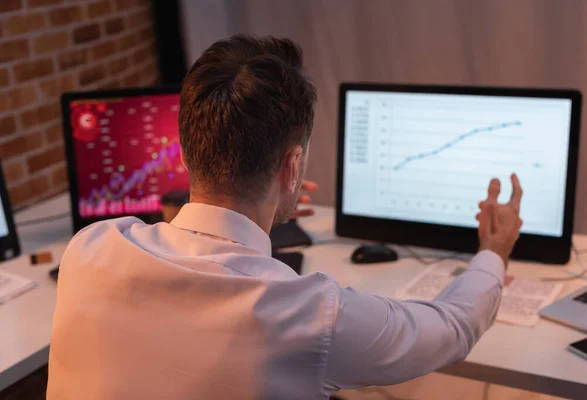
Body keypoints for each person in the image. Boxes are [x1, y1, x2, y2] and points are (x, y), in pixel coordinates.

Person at [47, 35, 523, 400]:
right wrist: (494, 250)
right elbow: (453, 327)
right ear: (292, 166)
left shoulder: (90, 249)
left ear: (188, 152)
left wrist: (255, 209)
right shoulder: (311, 315)